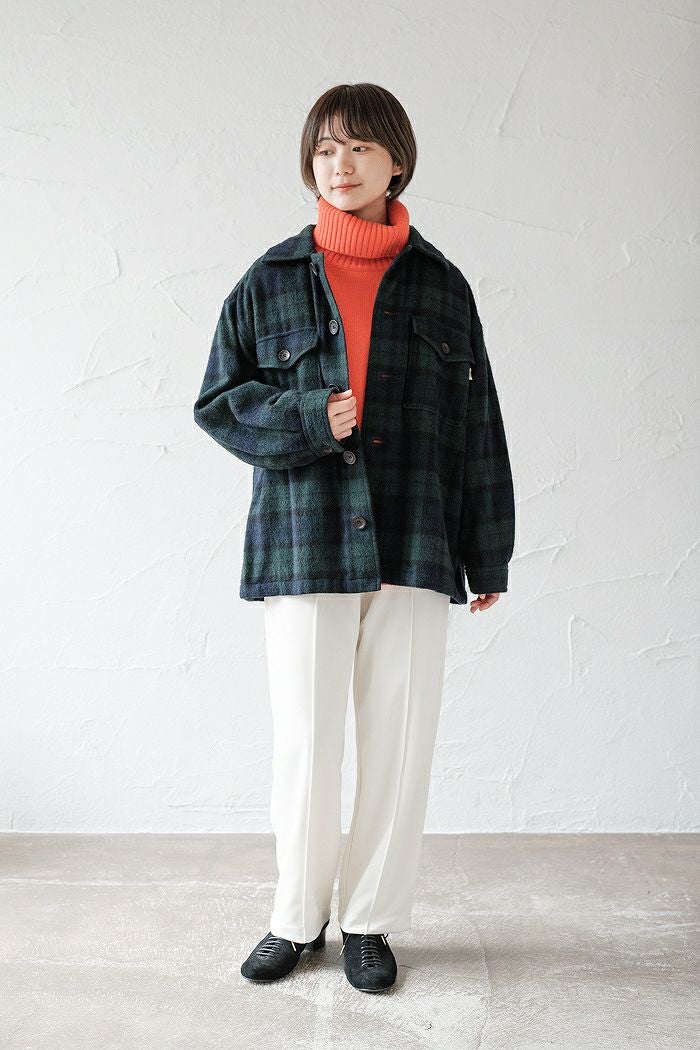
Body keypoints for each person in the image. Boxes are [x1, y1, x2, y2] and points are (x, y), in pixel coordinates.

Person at [193, 83, 515, 993]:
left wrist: (487, 550)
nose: (341, 164)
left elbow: (479, 425)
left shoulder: (443, 286)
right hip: (306, 541)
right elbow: (218, 403)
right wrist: (306, 416)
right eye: (326, 148)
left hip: (416, 538)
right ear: (310, 162)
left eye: (361, 147)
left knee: (400, 741)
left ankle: (370, 920)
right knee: (306, 741)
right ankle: (295, 920)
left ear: (396, 162)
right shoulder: (269, 280)